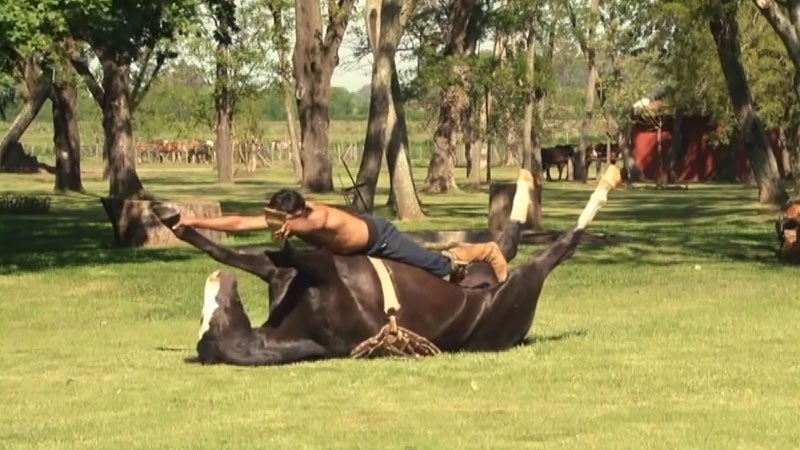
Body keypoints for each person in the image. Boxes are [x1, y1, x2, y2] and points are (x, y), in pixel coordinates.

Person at [172, 185, 515, 282]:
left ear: (298, 212)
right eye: (277, 219)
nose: (279, 224)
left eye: (285, 220)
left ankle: (480, 251)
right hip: (345, 251)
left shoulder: (317, 216)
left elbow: (312, 226)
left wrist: (293, 227)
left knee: (435, 267)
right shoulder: (287, 219)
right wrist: (194, 222)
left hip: (379, 237)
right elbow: (239, 223)